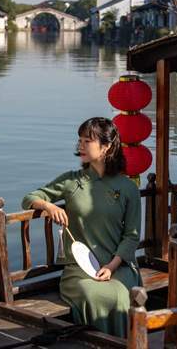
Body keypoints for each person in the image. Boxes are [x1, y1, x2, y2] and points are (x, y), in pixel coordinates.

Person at [21, 117, 142, 337]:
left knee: (118, 295)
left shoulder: (127, 188)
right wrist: (48, 206)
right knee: (93, 293)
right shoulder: (72, 181)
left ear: (106, 147)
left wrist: (112, 267)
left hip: (119, 265)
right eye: (80, 140)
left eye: (87, 140)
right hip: (80, 269)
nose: (80, 146)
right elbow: (29, 198)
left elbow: (132, 236)